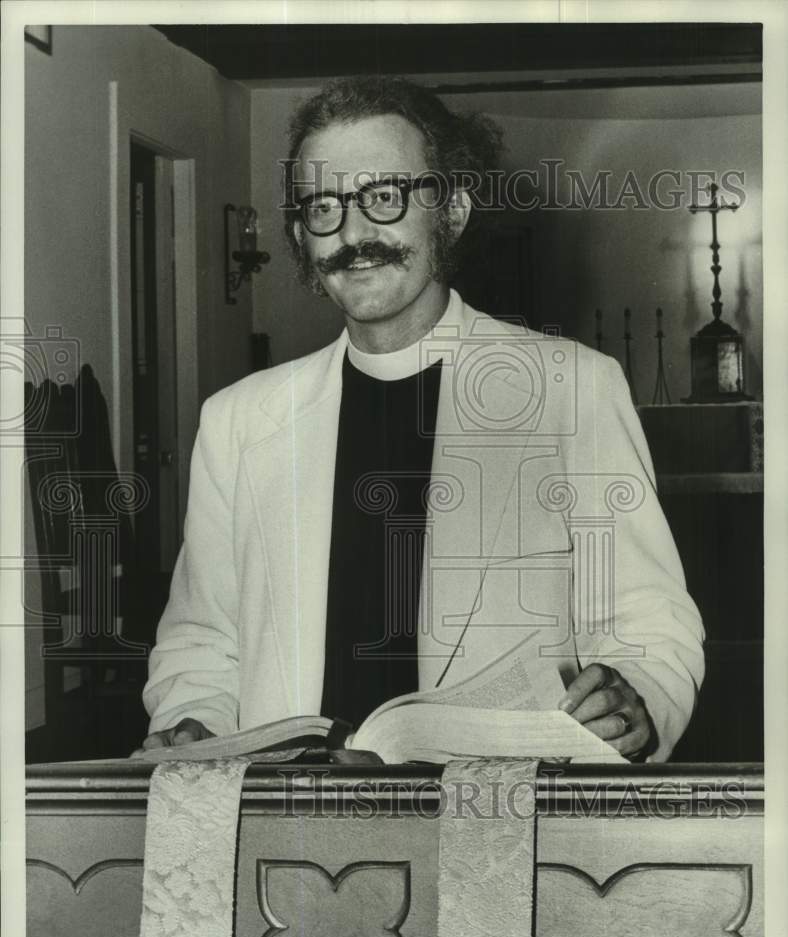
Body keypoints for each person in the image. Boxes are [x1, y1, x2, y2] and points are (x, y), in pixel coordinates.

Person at [141, 76, 704, 762]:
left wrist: (638, 698)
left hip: (501, 819)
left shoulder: (573, 391)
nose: (353, 234)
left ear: (453, 211)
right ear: (299, 235)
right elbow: (202, 641)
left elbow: (651, 623)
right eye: (325, 206)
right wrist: (193, 719)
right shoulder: (239, 422)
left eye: (384, 197)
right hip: (291, 830)